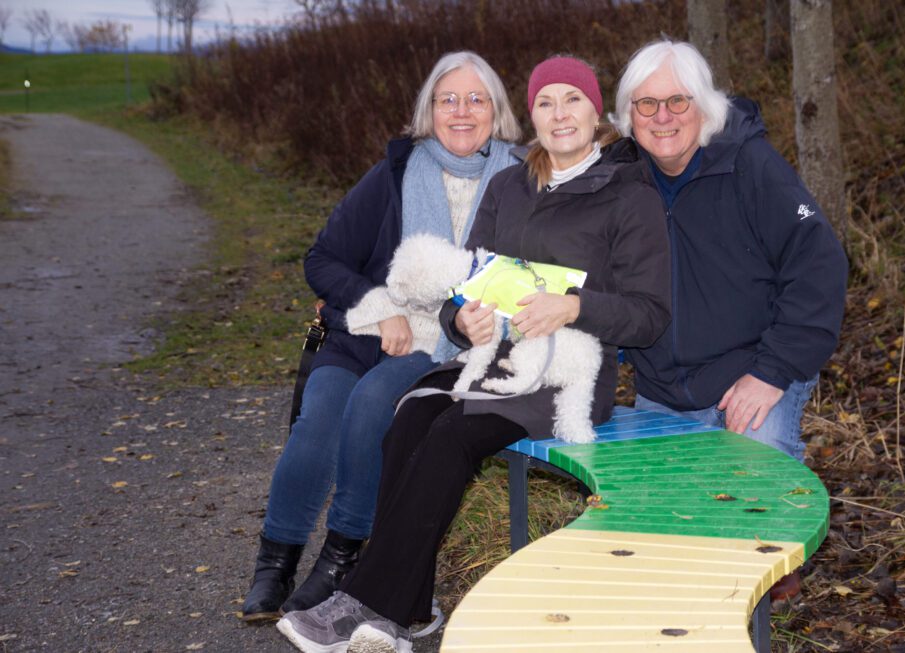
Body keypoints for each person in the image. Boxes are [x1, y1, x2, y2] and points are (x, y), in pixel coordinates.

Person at [275, 56, 671, 653]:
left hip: (565, 377)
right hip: (493, 360)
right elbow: (466, 286)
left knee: (451, 434)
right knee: (410, 414)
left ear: (597, 113)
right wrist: (459, 318)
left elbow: (650, 314)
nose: (559, 114)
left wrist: (573, 306)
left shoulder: (628, 196)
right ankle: (407, 608)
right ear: (531, 115)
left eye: (573, 101)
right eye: (546, 102)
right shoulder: (510, 184)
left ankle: (372, 606)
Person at [242, 51, 522, 621]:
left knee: (370, 408)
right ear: (428, 111)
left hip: (445, 345)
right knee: (317, 421)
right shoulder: (395, 174)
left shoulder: (520, 181)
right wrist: (378, 308)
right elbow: (323, 259)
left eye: (476, 99)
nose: (462, 111)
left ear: (497, 111)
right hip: (367, 330)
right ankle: (275, 561)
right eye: (448, 99)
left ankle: (342, 556)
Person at [610, 39, 847, 602]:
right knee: (660, 540)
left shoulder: (750, 163)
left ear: (705, 106)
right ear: (628, 115)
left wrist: (772, 371)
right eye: (646, 104)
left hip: (752, 366)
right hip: (662, 382)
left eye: (677, 101)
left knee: (752, 505)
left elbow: (819, 263)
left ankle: (774, 549)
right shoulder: (620, 179)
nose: (662, 117)